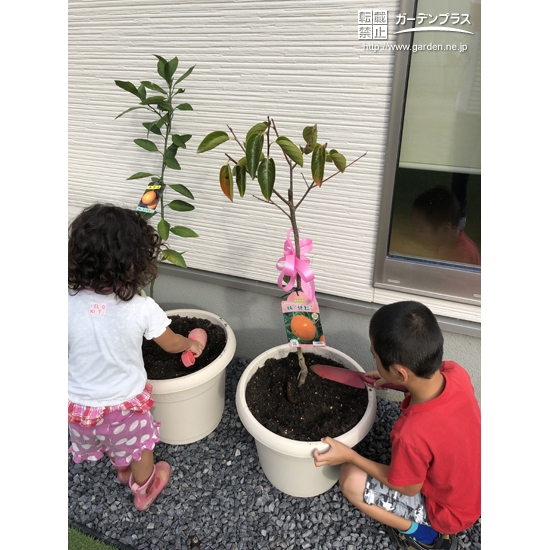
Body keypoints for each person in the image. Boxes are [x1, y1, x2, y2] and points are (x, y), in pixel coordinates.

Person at [68, 203, 205, 511]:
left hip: (78, 408)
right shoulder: (141, 308)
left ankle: (119, 468)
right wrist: (189, 345)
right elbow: (169, 344)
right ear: (134, 261)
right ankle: (144, 488)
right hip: (121, 406)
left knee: (107, 441)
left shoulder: (66, 302)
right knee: (140, 448)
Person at [313, 301, 480, 550]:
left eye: (375, 357)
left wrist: (350, 455)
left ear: (401, 372)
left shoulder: (411, 433)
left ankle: (423, 535)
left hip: (448, 513)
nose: (374, 360)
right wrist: (394, 383)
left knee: (350, 479)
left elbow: (408, 488)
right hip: (474, 489)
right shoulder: (457, 373)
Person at [412, 186, 480, 266]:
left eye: (421, 228)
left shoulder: (461, 256)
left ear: (445, 230)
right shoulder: (443, 242)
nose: (416, 231)